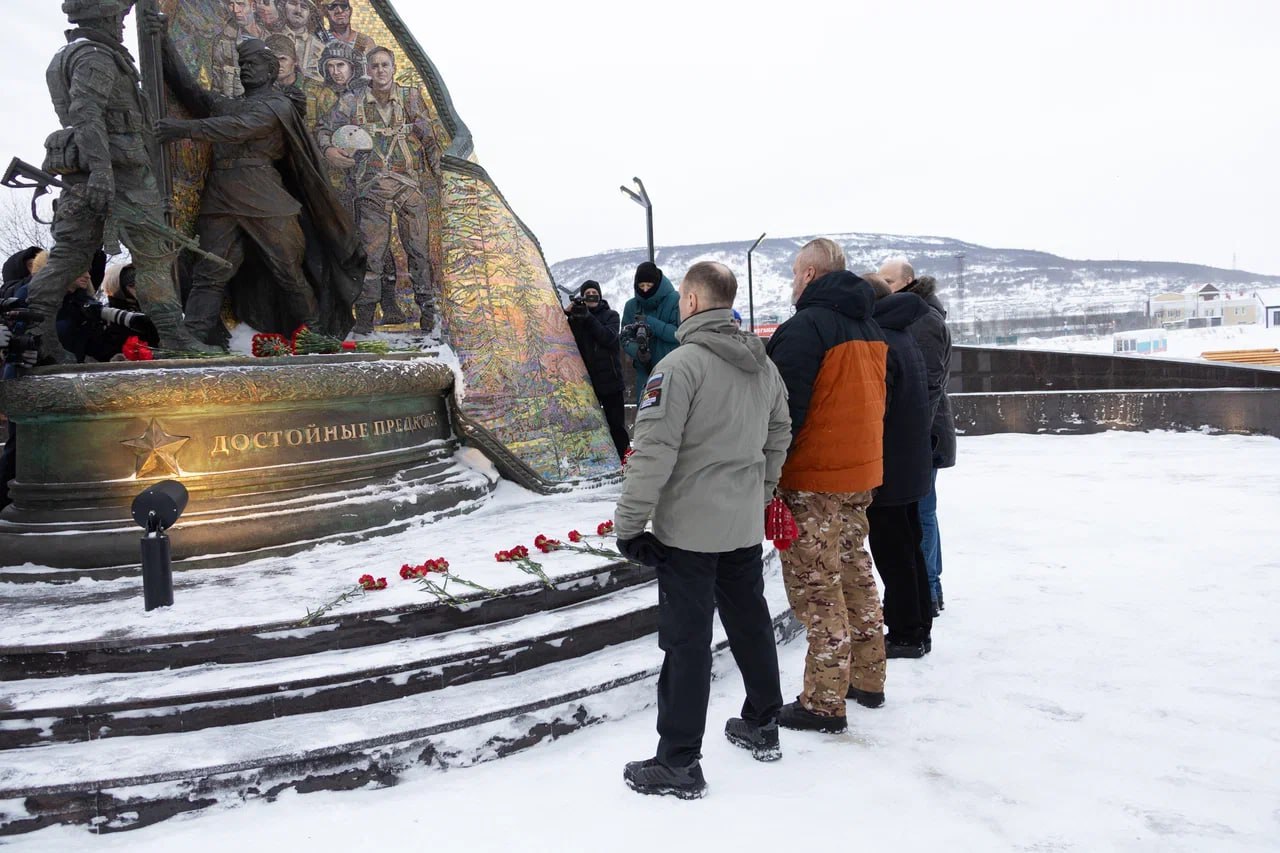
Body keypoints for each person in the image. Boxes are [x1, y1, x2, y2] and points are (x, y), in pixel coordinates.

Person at [614, 261, 791, 799]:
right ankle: (763, 723)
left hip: (688, 532)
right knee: (750, 623)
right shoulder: (763, 365)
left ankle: (679, 762)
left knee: (687, 644)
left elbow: (653, 454)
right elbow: (780, 433)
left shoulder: (679, 367)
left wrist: (629, 525)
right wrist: (759, 495)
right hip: (739, 525)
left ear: (689, 302)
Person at [24, 0, 219, 363]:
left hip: (94, 174)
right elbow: (86, 113)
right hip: (119, 173)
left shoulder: (79, 54)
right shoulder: (96, 57)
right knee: (153, 258)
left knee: (70, 258)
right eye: (119, 17)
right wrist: (101, 173)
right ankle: (175, 337)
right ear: (107, 17)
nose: (122, 24)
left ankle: (38, 336)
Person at [156, 25, 365, 343]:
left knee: (288, 270)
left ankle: (314, 333)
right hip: (222, 194)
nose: (245, 70)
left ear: (270, 71)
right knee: (210, 270)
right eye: (242, 66)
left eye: (252, 65)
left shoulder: (277, 105)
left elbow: (238, 128)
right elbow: (191, 90)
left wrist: (182, 129)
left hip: (264, 195)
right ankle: (196, 336)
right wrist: (163, 41)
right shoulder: (230, 104)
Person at [765, 238, 890, 731]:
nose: (793, 281)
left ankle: (823, 701)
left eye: (796, 273)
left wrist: (769, 471)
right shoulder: (870, 325)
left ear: (811, 275)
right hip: (859, 475)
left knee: (818, 590)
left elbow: (783, 413)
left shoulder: (804, 329)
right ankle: (868, 677)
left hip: (813, 478)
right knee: (856, 573)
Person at [318, 47, 442, 335]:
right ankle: (364, 317)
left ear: (393, 68)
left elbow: (429, 139)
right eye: (374, 66)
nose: (380, 70)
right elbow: (324, 129)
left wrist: (439, 177)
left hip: (409, 187)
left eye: (385, 65)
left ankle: (428, 312)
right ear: (368, 70)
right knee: (372, 257)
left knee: (419, 253)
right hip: (371, 187)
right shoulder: (352, 100)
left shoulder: (410, 97)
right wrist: (330, 150)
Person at [881, 260, 956, 614]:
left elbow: (926, 386)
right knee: (924, 512)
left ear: (908, 281)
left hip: (924, 437)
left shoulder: (922, 319)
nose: (884, 286)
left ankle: (928, 590)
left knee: (922, 513)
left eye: (889, 280)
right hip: (925, 435)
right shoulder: (920, 314)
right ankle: (931, 588)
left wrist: (909, 436)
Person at [866, 276, 935, 658]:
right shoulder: (903, 334)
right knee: (908, 548)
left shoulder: (882, 341)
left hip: (890, 467)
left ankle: (907, 632)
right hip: (910, 463)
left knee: (893, 553)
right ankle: (918, 624)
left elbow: (879, 411)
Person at [565, 281, 629, 460]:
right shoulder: (577, 319)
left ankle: (624, 459)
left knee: (616, 426)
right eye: (588, 293)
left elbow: (608, 338)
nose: (591, 296)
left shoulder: (611, 315)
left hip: (611, 381)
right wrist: (567, 314)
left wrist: (588, 317)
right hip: (586, 382)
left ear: (600, 295)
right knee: (587, 426)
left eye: (594, 292)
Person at [620, 261, 680, 402]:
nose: (645, 290)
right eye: (641, 286)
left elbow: (678, 333)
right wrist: (638, 352)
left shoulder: (675, 300)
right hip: (644, 370)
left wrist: (649, 323)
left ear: (657, 283)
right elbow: (624, 336)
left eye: (649, 285)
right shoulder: (631, 306)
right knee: (645, 414)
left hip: (671, 368)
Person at [281, 0, 326, 80]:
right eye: (293, 3)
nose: (298, 10)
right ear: (284, 7)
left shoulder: (320, 49)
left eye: (304, 6)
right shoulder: (270, 37)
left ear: (310, 14)